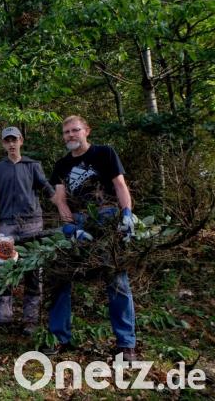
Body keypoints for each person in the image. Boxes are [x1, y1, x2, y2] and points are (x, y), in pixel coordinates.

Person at [45, 115, 137, 361]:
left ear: (87, 131)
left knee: (117, 278)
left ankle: (126, 344)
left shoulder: (105, 154)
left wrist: (127, 213)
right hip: (79, 221)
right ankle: (59, 336)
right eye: (66, 132)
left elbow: (119, 185)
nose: (71, 135)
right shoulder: (61, 165)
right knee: (60, 276)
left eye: (75, 130)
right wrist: (69, 228)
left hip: (107, 219)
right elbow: (61, 201)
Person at [0, 127, 55, 335]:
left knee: (33, 271)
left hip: (33, 223)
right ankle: (2, 318)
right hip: (6, 225)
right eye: (7, 141)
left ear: (21, 141)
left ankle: (31, 320)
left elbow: (47, 189)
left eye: (14, 140)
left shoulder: (32, 166)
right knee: (2, 269)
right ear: (3, 144)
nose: (11, 144)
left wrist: (64, 209)